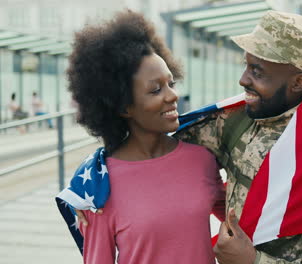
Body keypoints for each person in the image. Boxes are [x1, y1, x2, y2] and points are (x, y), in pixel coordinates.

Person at [74, 11, 302, 264]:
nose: (243, 80)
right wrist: (91, 184)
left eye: (258, 72)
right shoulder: (234, 123)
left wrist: (254, 261)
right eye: (247, 65)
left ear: (299, 81)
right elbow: (146, 136)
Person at [56, 10, 225, 264]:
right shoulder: (99, 187)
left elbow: (243, 219)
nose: (172, 96)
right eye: (156, 90)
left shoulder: (202, 159)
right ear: (124, 106)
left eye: (171, 83)